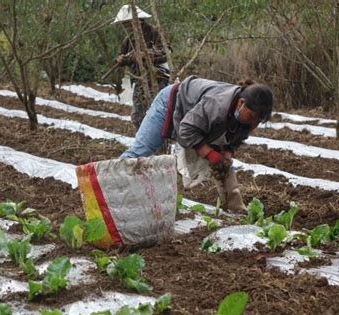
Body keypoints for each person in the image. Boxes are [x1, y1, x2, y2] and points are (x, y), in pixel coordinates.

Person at [120, 75, 274, 212]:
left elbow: (235, 139)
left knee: (224, 164)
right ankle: (106, 181)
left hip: (196, 119)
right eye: (252, 117)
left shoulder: (246, 118)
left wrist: (227, 153)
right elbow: (187, 129)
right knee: (143, 150)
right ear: (241, 103)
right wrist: (208, 152)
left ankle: (235, 208)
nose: (253, 124)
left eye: (258, 121)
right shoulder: (218, 104)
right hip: (171, 103)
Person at [112, 4, 170, 130]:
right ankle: (143, 144)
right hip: (140, 80)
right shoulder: (128, 40)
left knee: (158, 113)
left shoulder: (154, 33)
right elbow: (121, 56)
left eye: (127, 23)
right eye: (124, 24)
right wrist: (121, 59)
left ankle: (160, 145)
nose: (126, 27)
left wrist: (145, 55)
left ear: (138, 21)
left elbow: (166, 52)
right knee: (137, 115)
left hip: (158, 78)